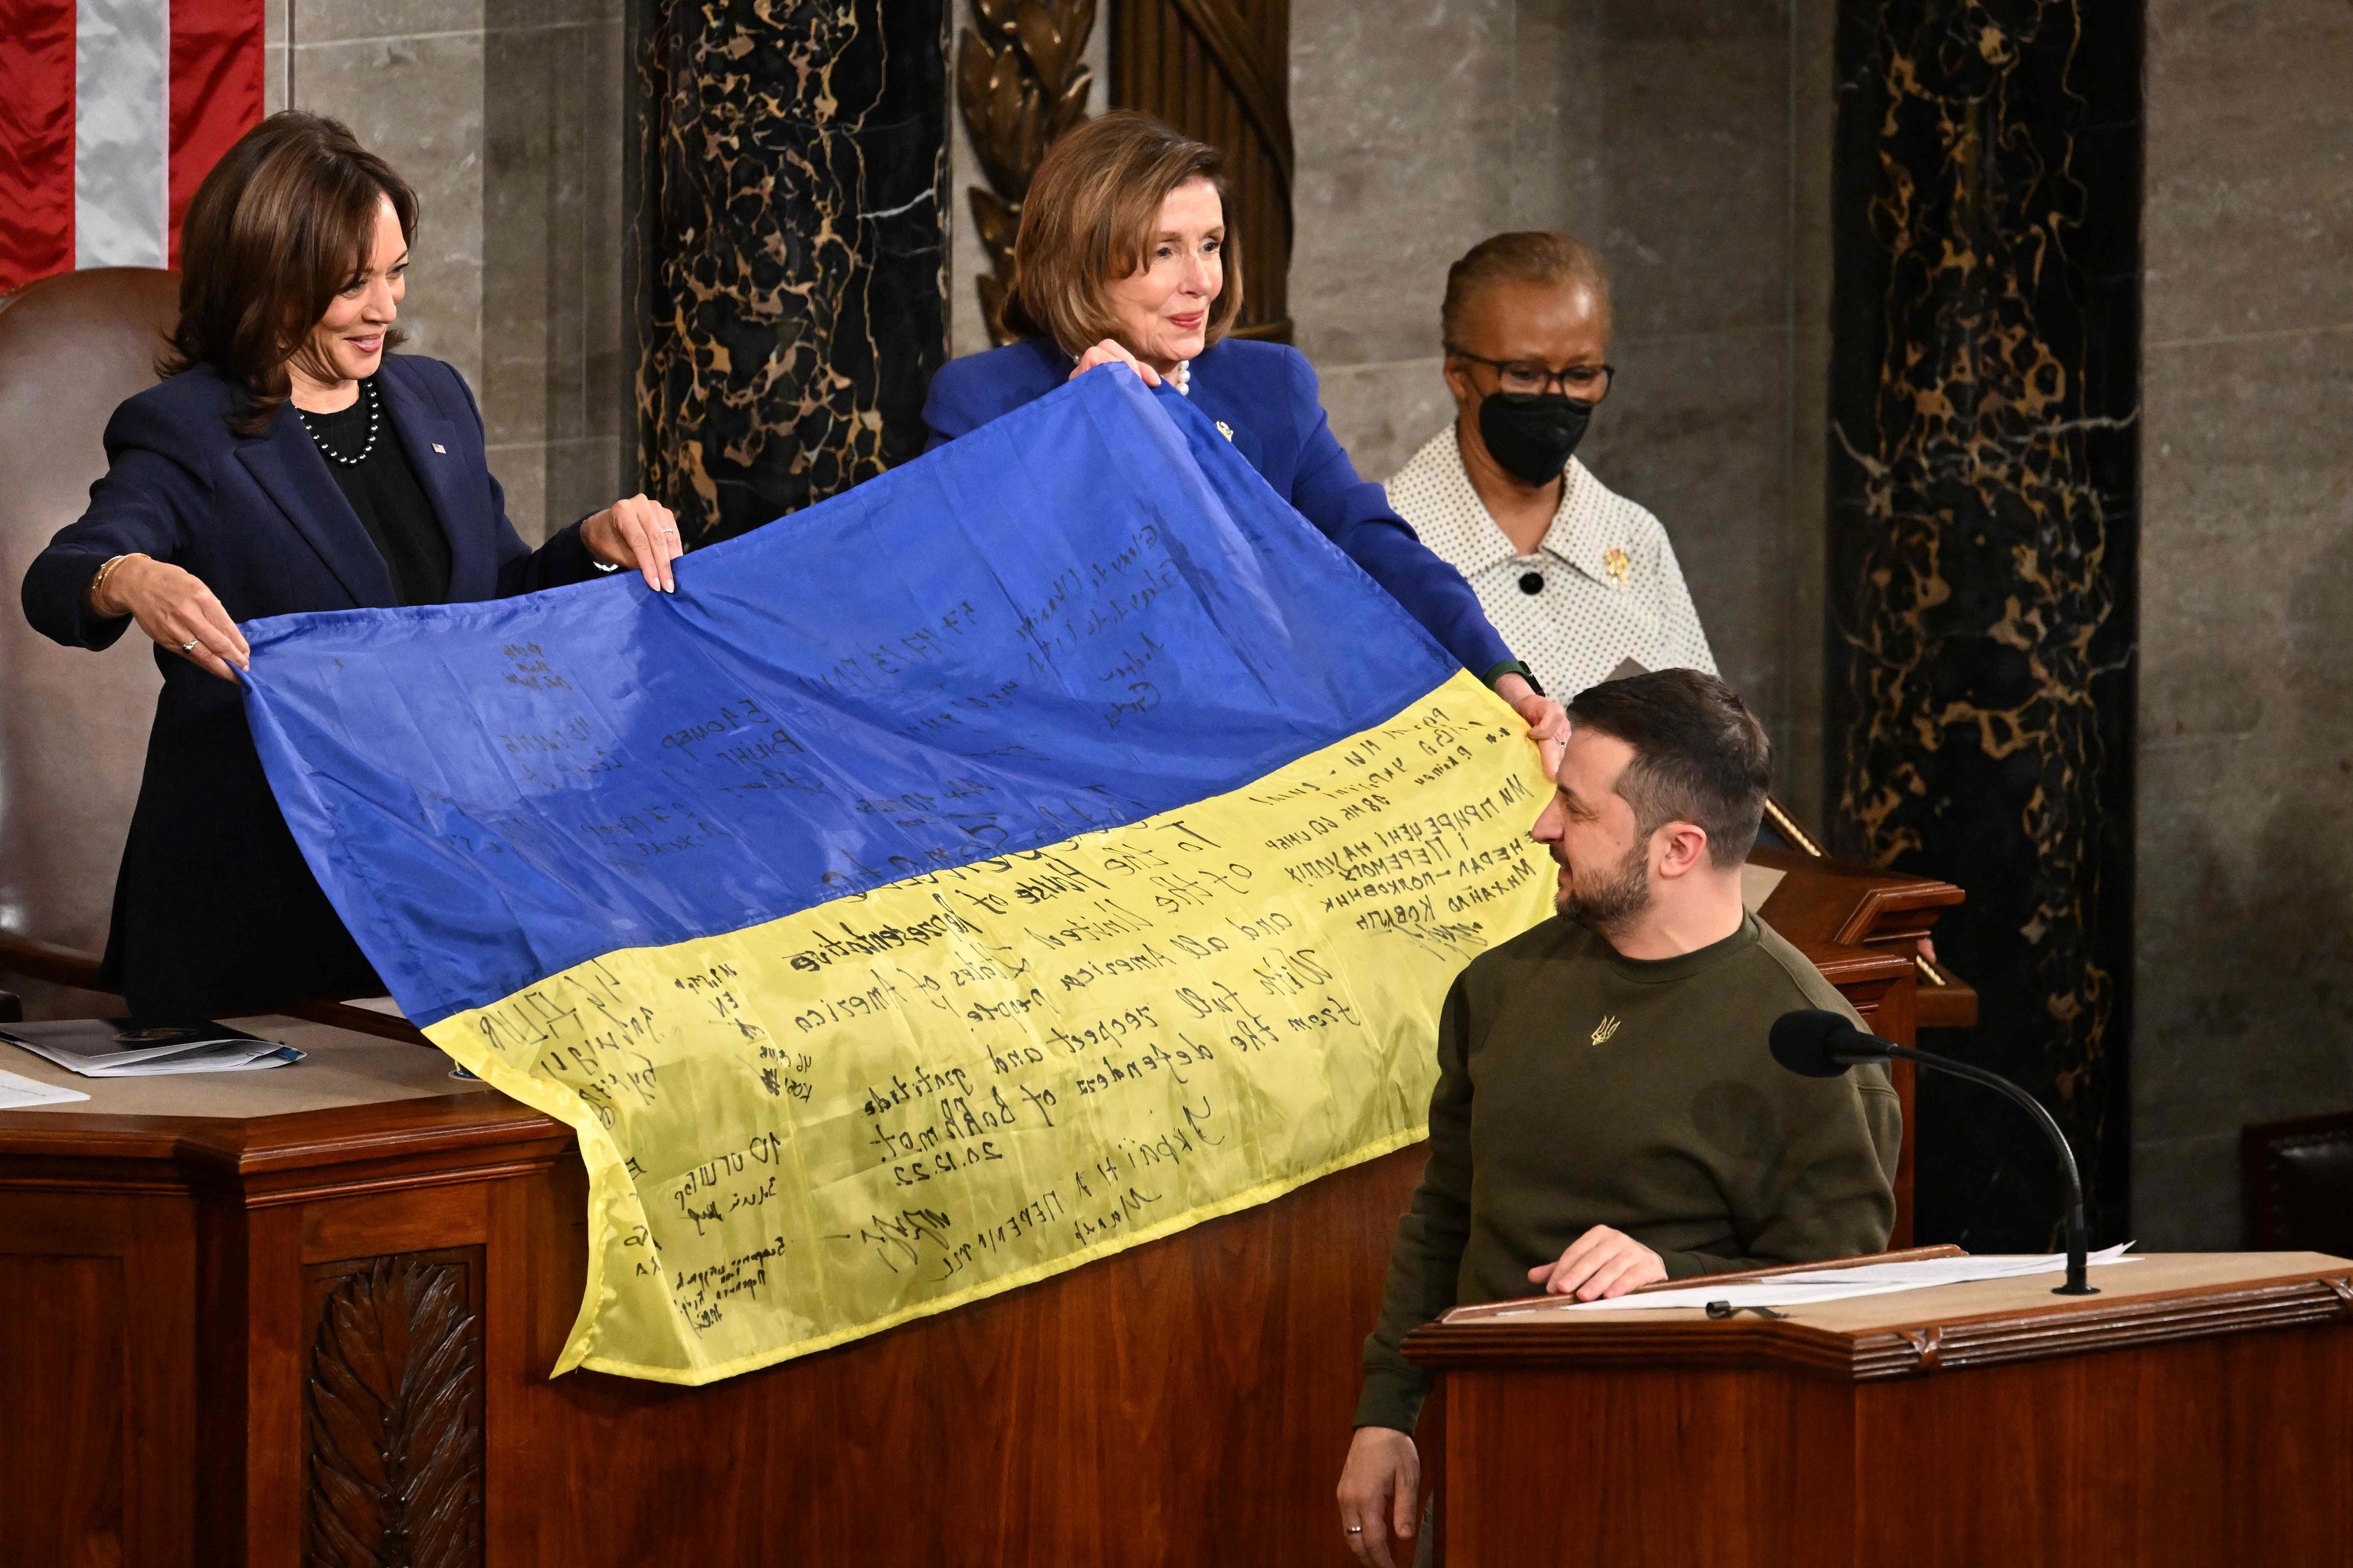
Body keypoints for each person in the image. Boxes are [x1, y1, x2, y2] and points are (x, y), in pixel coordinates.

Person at [20, 112, 683, 1020]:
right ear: (271, 281)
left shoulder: (434, 399)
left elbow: (491, 606)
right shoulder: (186, 429)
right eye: (351, 284)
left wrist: (593, 547)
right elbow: (61, 576)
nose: (387, 308)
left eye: (396, 272)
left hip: (439, 885)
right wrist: (128, 577)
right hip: (259, 914)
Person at [1334, 669, 1900, 1568]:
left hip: (1692, 1491)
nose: (1543, 826)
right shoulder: (1500, 986)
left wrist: (1672, 1276)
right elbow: (1445, 1213)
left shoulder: (1815, 1047)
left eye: (1577, 808)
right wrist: (1386, 1413)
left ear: (1677, 847)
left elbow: (1833, 1304)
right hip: (1491, 1466)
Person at [922, 112, 1566, 753]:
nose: (1201, 281)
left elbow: (1374, 549)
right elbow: (945, 614)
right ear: (1081, 263)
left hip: (1254, 758)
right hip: (1062, 764)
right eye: (1164, 251)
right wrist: (1073, 431)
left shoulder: (1271, 389)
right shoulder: (983, 403)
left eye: (1210, 245)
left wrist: (1500, 674)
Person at [1386, 232, 1715, 703]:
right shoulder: (1383, 542)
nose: (1555, 398)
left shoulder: (1637, 540)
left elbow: (1706, 751)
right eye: (1524, 373)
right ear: (1459, 375)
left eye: (1580, 375)